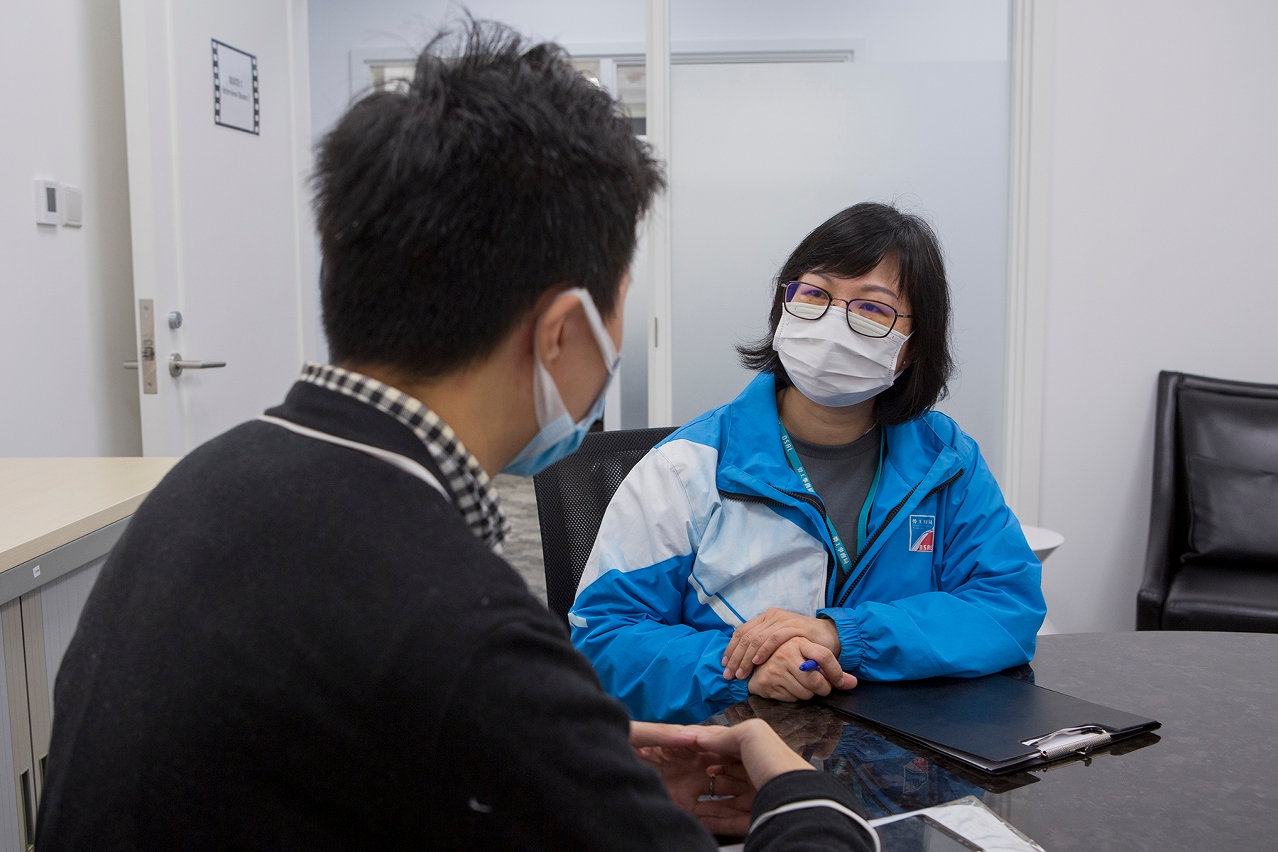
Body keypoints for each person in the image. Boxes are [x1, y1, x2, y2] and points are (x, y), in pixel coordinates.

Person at [35, 22, 876, 852]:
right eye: (620, 301)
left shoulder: (203, 486)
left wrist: (565, 766)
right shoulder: (462, 631)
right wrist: (804, 794)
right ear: (563, 333)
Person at [571, 202, 1047, 724]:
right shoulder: (689, 468)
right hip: (733, 754)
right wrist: (740, 670)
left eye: (872, 308)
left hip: (904, 753)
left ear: (912, 348)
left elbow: (1008, 605)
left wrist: (843, 634)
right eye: (815, 293)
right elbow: (603, 638)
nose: (833, 321)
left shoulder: (946, 462)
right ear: (783, 309)